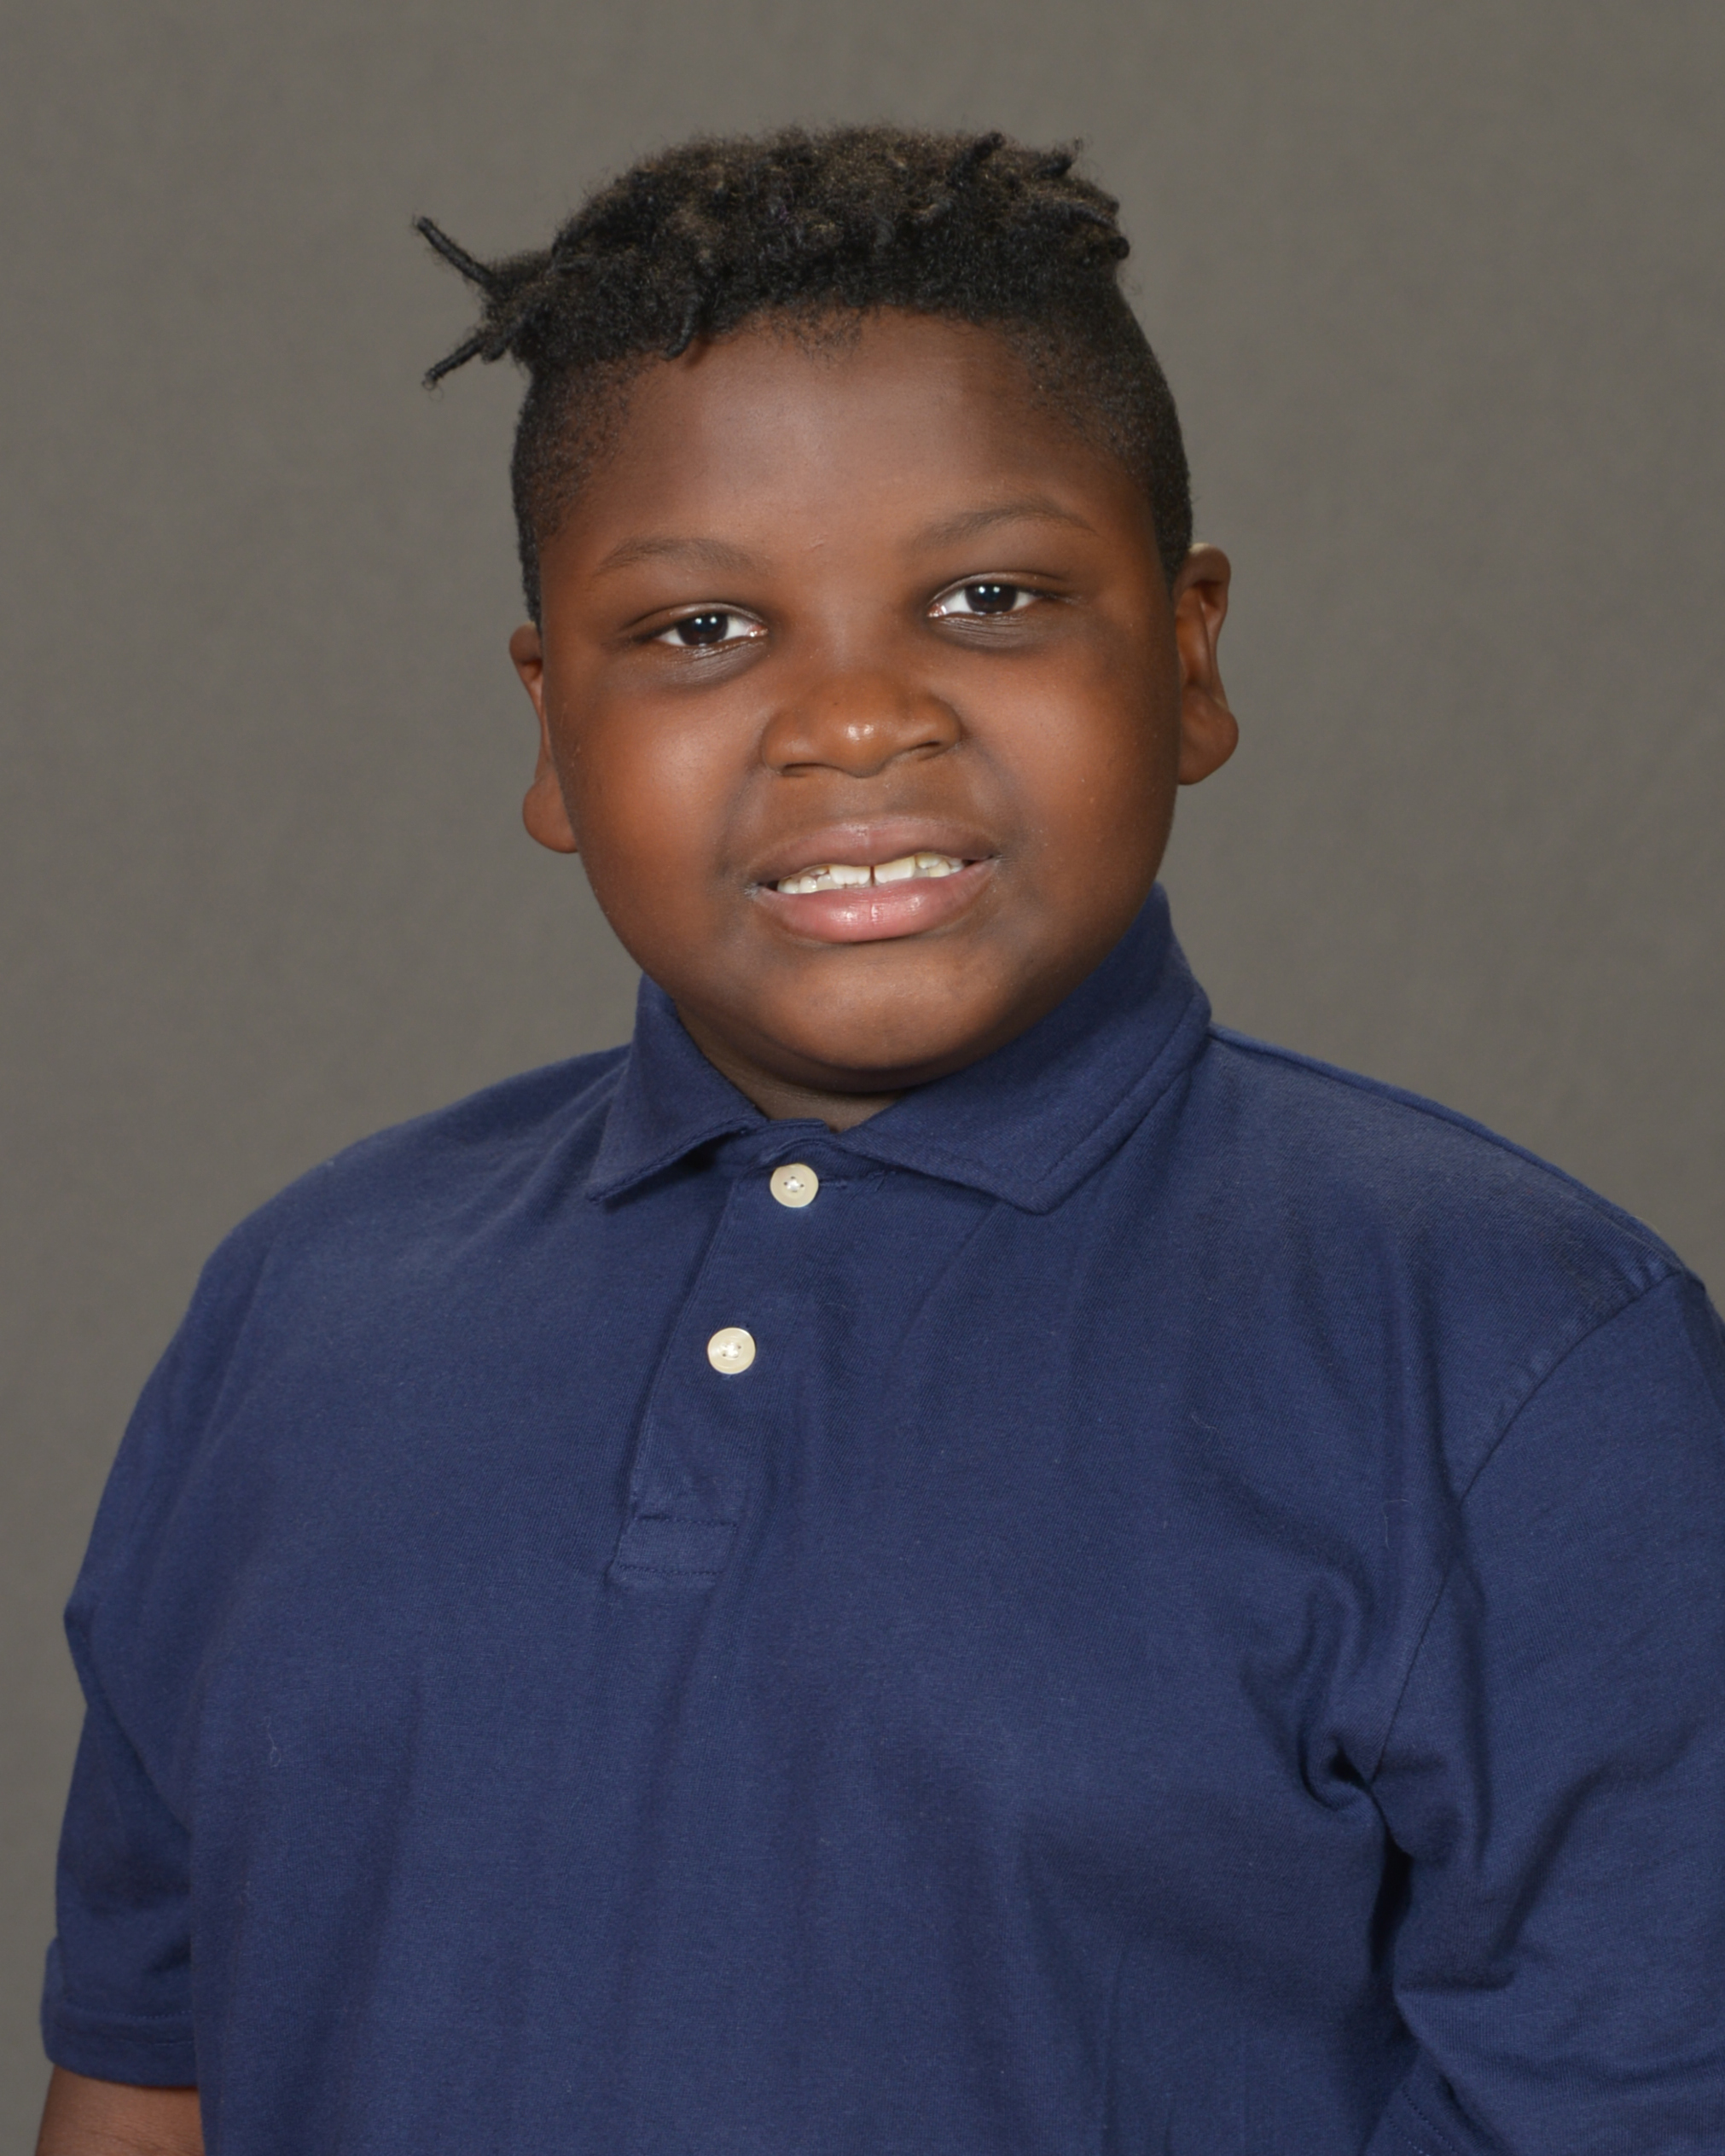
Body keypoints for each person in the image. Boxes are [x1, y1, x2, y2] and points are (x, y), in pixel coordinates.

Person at [37, 125, 1725, 2156]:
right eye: (697, 629)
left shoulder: (1519, 1360)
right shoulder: (296, 1316)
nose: (854, 719)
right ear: (549, 725)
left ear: (1189, 654)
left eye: (990, 597)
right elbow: (148, 2080)